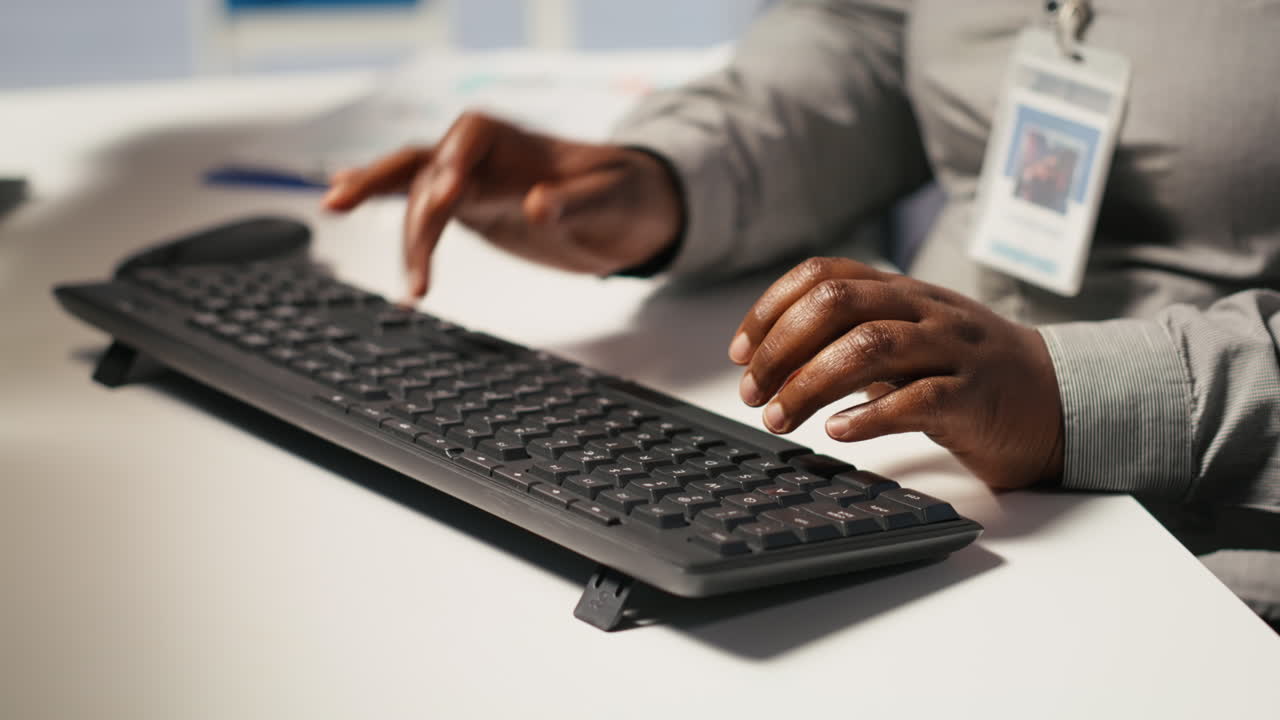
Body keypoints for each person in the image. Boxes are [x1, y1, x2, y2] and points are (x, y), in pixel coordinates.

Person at [322, 1, 1280, 623]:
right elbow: (866, 39)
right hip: (917, 452)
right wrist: (671, 178)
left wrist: (1078, 399)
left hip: (1214, 528)